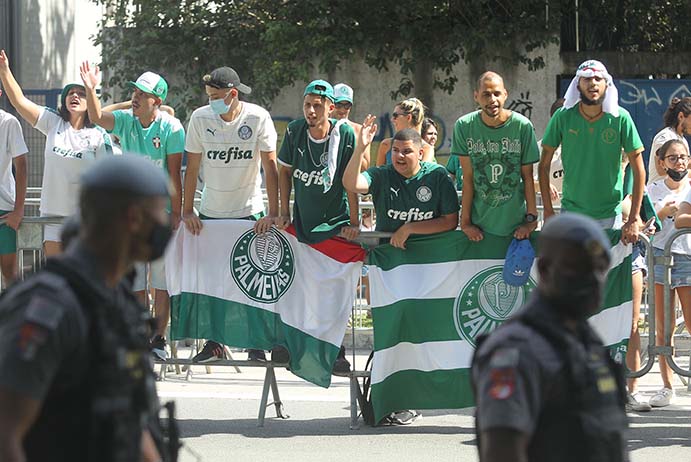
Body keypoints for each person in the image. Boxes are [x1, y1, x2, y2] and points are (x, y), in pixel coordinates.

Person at [0, 155, 171, 462]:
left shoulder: (115, 302)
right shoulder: (49, 305)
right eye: (160, 212)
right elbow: (5, 435)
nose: (165, 224)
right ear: (134, 218)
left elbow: (129, 418)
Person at [472, 212, 628, 462]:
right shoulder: (515, 349)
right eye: (578, 268)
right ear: (545, 268)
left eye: (600, 269)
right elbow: (502, 450)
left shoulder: (588, 344)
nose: (593, 280)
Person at [344, 118, 459, 423]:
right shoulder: (382, 175)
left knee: (422, 337)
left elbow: (450, 221)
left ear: (420, 153)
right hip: (391, 272)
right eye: (395, 150)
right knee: (393, 334)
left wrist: (410, 228)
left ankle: (416, 399)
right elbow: (352, 184)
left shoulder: (437, 177)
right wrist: (361, 146)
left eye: (406, 151)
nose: (399, 156)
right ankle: (390, 400)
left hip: (430, 272)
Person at [80, 62, 185, 360]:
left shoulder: (171, 128)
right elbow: (97, 116)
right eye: (134, 91)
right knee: (137, 282)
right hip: (131, 219)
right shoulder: (127, 120)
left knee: (162, 283)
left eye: (143, 93)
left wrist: (176, 216)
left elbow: (174, 176)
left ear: (158, 101)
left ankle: (159, 339)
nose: (136, 97)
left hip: (161, 216)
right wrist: (90, 88)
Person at [182, 66, 279, 363]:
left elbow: (271, 167)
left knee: (254, 281)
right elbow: (193, 168)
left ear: (233, 94)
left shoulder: (258, 117)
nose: (210, 101)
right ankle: (215, 343)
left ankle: (256, 344)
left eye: (215, 96)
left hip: (250, 211)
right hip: (212, 213)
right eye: (209, 96)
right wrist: (188, 209)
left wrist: (274, 212)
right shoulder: (199, 118)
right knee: (214, 280)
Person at [276, 79, 359, 371]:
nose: (311, 111)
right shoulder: (296, 130)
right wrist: (281, 211)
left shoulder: (344, 133)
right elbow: (284, 172)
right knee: (297, 286)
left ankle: (336, 350)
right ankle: (288, 344)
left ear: (330, 107)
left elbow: (351, 180)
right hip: (303, 223)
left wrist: (355, 222)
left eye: (317, 105)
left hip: (335, 224)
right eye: (307, 105)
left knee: (334, 289)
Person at [0, 50, 112, 258]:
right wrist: (5, 71)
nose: (75, 96)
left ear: (90, 101)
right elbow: (19, 101)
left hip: (85, 220)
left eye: (81, 93)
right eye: (70, 93)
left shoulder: (99, 136)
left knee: (81, 283)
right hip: (52, 219)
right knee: (58, 282)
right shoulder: (53, 122)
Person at [540, 60, 645, 245]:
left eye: (598, 78)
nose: (593, 83)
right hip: (571, 214)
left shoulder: (621, 118)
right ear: (577, 84)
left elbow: (639, 170)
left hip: (610, 216)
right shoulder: (562, 117)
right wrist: (548, 211)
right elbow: (543, 165)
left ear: (607, 84)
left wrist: (633, 219)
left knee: (606, 273)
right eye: (586, 78)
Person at [452, 71, 539, 242]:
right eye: (486, 94)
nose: (492, 100)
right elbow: (467, 178)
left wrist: (531, 220)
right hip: (479, 228)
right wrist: (466, 223)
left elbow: (528, 178)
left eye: (496, 93)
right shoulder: (463, 126)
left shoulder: (522, 126)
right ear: (476, 96)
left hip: (517, 227)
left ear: (505, 94)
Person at [647, 140, 691, 407]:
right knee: (664, 326)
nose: (679, 163)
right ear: (661, 162)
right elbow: (645, 224)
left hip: (687, 257)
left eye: (684, 157)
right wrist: (664, 211)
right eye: (673, 158)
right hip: (661, 258)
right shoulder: (653, 189)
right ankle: (666, 385)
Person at [0, 88, 28, 285]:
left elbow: (22, 167)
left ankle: (17, 314)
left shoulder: (8, 122)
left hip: (4, 210)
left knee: (9, 272)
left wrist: (18, 210)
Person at [376, 97, 435, 166]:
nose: (392, 120)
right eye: (395, 150)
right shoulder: (386, 145)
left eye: (395, 116)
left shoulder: (427, 149)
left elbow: (424, 175)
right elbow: (377, 174)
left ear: (408, 117)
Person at [647, 97, 691, 184]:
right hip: (659, 194)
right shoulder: (665, 137)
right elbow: (661, 170)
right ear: (681, 116)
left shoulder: (683, 140)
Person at [534, 98, 565, 207]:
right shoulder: (539, 149)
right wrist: (543, 185)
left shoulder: (583, 147)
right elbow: (526, 182)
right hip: (550, 215)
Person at [332, 83, 370, 169]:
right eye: (338, 105)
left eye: (347, 106)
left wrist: (353, 145)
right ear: (331, 104)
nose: (342, 109)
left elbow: (365, 167)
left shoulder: (360, 131)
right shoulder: (322, 128)